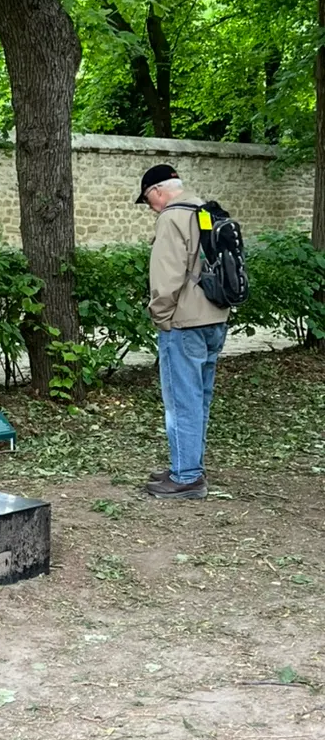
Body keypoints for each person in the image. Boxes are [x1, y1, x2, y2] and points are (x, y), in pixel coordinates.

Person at [135, 164, 230, 500]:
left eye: (148, 200)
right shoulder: (206, 211)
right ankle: (188, 464)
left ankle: (187, 476)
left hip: (184, 322)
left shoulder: (172, 218)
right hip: (215, 317)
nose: (150, 207)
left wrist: (160, 317)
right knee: (199, 397)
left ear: (157, 191)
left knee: (181, 400)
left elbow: (166, 279)